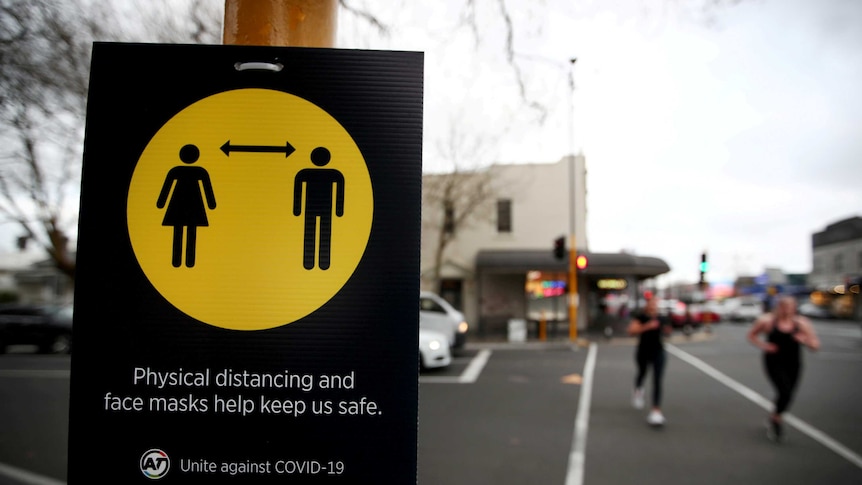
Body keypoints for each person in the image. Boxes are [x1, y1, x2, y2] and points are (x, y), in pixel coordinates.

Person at [747, 296, 820, 442]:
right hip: (774, 361)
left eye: (790, 306)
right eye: (783, 306)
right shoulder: (767, 321)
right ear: (778, 306)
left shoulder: (801, 323)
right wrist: (765, 346)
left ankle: (775, 415)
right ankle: (777, 421)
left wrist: (804, 340)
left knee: (789, 393)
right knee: (784, 390)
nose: (786, 309)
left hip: (793, 362)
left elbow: (815, 345)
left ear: (794, 307)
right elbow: (751, 335)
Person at [627, 297, 672, 426]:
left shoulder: (662, 318)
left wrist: (667, 329)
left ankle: (656, 410)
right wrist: (648, 326)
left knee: (657, 379)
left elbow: (668, 331)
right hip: (643, 351)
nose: (654, 306)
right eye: (652, 304)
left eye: (656, 304)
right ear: (647, 305)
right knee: (642, 372)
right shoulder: (641, 317)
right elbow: (631, 331)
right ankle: (638, 390)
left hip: (658, 351)